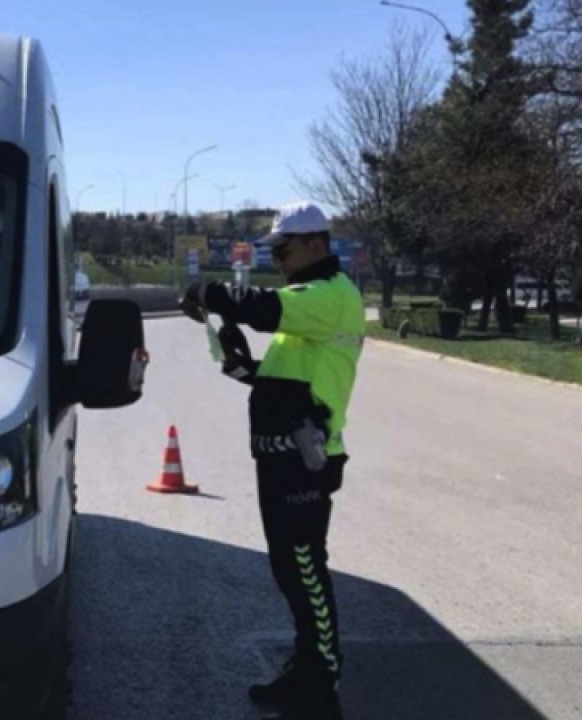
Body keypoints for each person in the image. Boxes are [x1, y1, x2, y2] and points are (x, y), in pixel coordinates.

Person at [180, 201, 365, 720]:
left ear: (315, 244)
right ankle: (305, 667)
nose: (277, 259)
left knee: (305, 567)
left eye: (283, 249)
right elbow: (285, 376)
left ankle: (322, 679)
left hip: (305, 459)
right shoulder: (311, 304)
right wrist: (244, 368)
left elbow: (262, 307)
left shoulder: (328, 295)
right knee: (289, 567)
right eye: (274, 250)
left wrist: (207, 292)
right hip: (281, 456)